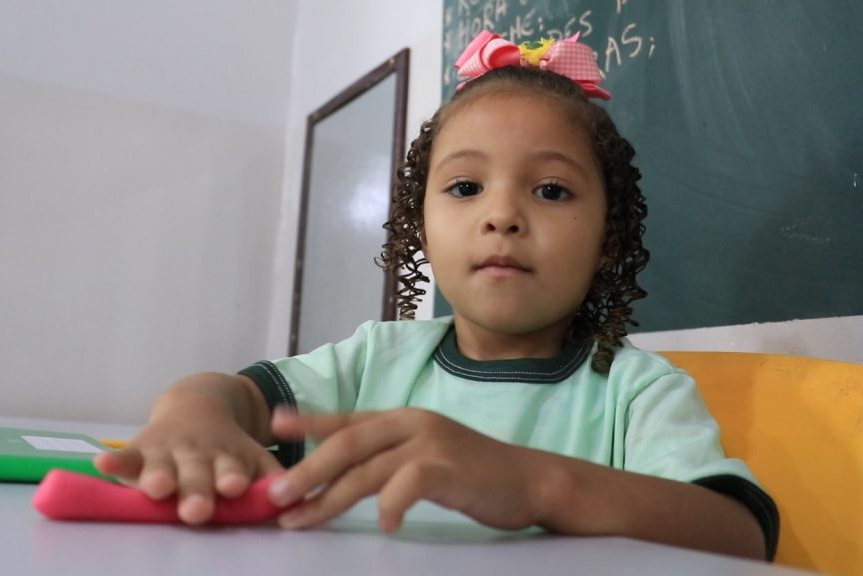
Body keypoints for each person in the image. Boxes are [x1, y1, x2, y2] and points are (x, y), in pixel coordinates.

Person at [95, 31, 778, 561]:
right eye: (465, 187)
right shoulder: (374, 360)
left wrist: (535, 483)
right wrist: (190, 413)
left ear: (608, 239)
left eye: (551, 190)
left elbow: (739, 536)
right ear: (421, 225)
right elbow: (238, 399)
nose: (501, 215)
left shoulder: (637, 393)